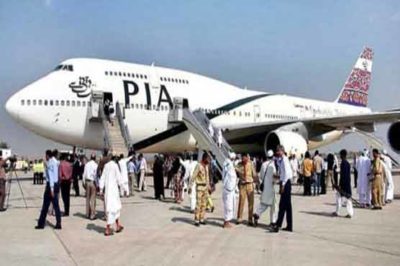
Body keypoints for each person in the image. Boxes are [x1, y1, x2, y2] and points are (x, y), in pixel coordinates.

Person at [35, 150, 62, 229]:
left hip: (51, 186)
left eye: (45, 155)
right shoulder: (56, 162)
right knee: (56, 206)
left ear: (47, 155)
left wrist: (51, 188)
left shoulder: (50, 163)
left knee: (45, 206)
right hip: (56, 184)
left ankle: (41, 223)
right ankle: (58, 223)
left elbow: (50, 177)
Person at [99, 153, 124, 236]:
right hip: (114, 191)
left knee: (115, 209)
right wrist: (123, 188)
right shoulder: (115, 166)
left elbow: (102, 177)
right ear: (115, 158)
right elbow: (119, 178)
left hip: (108, 192)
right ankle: (107, 228)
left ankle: (117, 225)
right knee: (112, 210)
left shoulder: (106, 166)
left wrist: (101, 189)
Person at [271, 145, 293, 233]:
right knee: (287, 206)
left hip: (286, 183)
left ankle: (278, 224)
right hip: (284, 182)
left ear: (282, 151)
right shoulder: (280, 160)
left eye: (279, 151)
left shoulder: (284, 160)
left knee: (282, 205)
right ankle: (289, 225)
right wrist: (278, 177)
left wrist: (283, 185)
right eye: (277, 151)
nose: (277, 153)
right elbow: (283, 174)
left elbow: (287, 174)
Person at [253, 150, 278, 227]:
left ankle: (257, 213)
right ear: (273, 156)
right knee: (274, 206)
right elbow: (274, 178)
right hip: (271, 188)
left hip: (264, 188)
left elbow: (260, 176)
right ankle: (273, 221)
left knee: (264, 203)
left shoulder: (263, 164)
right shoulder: (272, 165)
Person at [189, 152, 211, 226]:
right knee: (198, 204)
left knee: (204, 204)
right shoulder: (198, 165)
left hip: (205, 187)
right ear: (204, 158)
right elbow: (193, 176)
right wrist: (190, 186)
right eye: (208, 158)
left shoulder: (206, 166)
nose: (209, 160)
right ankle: (196, 220)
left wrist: (209, 186)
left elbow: (207, 177)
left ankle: (202, 218)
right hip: (199, 187)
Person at [236, 153, 257, 226]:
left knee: (251, 203)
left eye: (245, 158)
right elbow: (236, 171)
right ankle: (239, 217)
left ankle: (250, 219)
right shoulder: (239, 164)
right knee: (241, 201)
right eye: (242, 158)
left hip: (250, 184)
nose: (243, 159)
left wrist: (257, 182)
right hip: (242, 185)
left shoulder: (251, 164)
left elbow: (254, 174)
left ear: (247, 158)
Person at [332, 149, 354, 218]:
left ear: (342, 155)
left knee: (339, 198)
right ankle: (350, 213)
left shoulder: (343, 163)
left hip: (343, 184)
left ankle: (337, 212)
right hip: (347, 183)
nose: (340, 156)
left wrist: (340, 185)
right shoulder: (347, 163)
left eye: (340, 155)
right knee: (348, 199)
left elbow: (343, 175)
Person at [222, 152, 238, 228]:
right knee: (229, 206)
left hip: (229, 188)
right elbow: (230, 177)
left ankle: (227, 221)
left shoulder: (227, 163)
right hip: (229, 188)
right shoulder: (229, 165)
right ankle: (226, 222)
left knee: (230, 205)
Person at [83, 154, 98, 220]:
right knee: (93, 199)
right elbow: (96, 175)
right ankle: (92, 215)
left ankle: (87, 214)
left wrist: (83, 182)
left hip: (87, 181)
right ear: (95, 158)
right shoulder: (96, 165)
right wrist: (97, 184)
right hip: (92, 182)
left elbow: (84, 174)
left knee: (88, 198)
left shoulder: (87, 164)